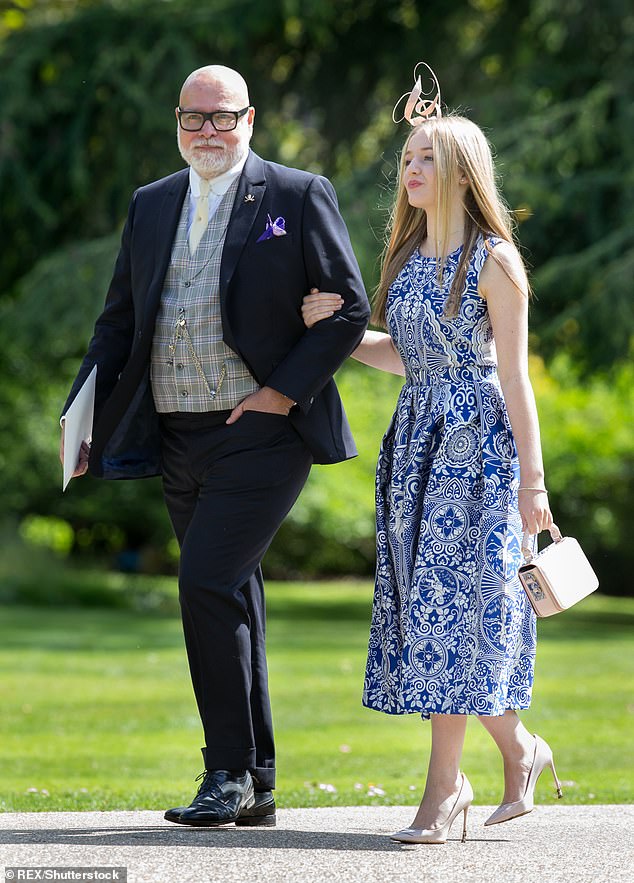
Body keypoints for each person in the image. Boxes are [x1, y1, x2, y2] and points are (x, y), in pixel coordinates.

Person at [60, 64, 370, 828]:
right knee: (231, 591)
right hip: (175, 434)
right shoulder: (152, 202)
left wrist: (279, 392)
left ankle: (224, 771)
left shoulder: (296, 196)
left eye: (221, 117)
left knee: (203, 580)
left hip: (263, 433)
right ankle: (258, 780)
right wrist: (82, 412)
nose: (206, 131)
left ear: (250, 119)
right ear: (177, 123)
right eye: (192, 119)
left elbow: (347, 309)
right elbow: (118, 322)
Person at [301, 64, 560, 843]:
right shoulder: (411, 261)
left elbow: (513, 378)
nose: (408, 171)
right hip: (416, 445)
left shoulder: (495, 260)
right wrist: (341, 334)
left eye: (423, 159)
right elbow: (408, 357)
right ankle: (522, 750)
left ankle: (445, 791)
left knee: (457, 616)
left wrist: (533, 487)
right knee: (434, 616)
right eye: (407, 159)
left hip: (479, 450)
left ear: (459, 173)